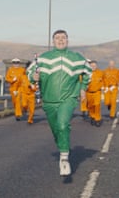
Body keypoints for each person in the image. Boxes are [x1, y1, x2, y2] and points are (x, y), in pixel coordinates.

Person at [27, 29, 92, 176]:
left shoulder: (77, 58)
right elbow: (30, 72)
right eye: (57, 38)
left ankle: (64, 157)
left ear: (68, 40)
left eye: (63, 38)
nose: (61, 40)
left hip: (68, 98)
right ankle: (63, 147)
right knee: (56, 130)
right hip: (49, 100)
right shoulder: (43, 58)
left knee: (63, 124)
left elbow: (88, 72)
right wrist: (34, 77)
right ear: (53, 41)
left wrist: (82, 88)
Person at [85, 60, 104, 127]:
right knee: (90, 106)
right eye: (92, 66)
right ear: (89, 66)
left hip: (97, 92)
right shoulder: (86, 73)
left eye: (94, 66)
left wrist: (104, 87)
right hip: (88, 92)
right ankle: (92, 116)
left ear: (97, 66)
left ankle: (97, 119)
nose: (93, 67)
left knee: (97, 105)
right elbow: (81, 81)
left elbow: (104, 80)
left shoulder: (100, 73)